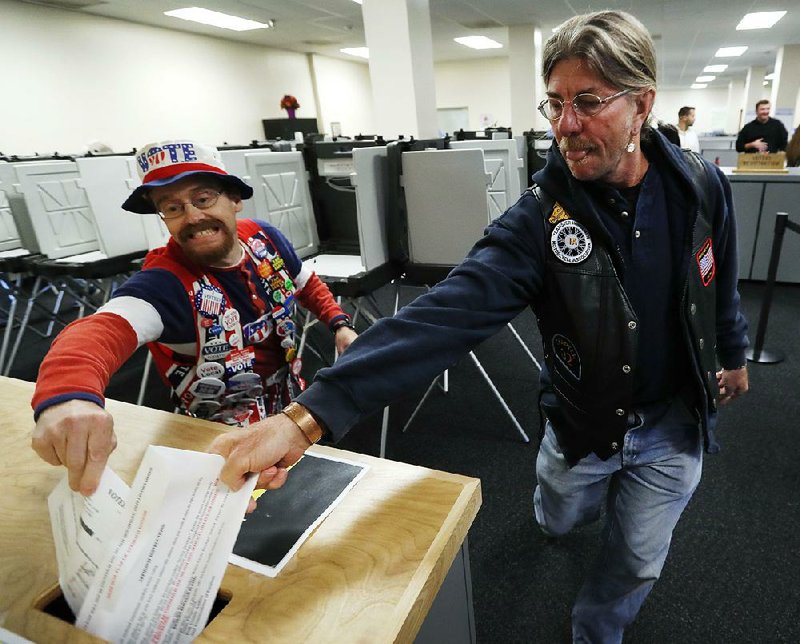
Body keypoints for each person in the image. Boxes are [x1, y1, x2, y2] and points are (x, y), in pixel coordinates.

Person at [210, 10, 750, 640]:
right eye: (554, 103)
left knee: (635, 559)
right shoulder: (537, 223)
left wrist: (732, 354)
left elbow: (720, 280)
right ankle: (553, 508)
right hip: (583, 423)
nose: (565, 126)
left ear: (642, 104)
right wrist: (308, 416)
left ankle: (595, 631)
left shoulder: (700, 185)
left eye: (589, 101)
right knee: (561, 513)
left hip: (674, 421)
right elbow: (442, 316)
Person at [30, 140, 358, 495]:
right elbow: (101, 331)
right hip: (220, 445)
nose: (192, 217)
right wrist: (68, 394)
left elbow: (303, 283)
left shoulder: (265, 239)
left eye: (203, 199)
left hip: (293, 412)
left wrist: (338, 324)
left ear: (234, 199)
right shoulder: (164, 282)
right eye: (172, 207)